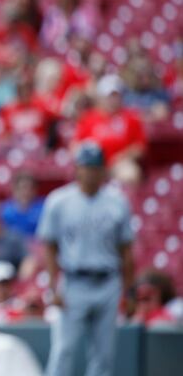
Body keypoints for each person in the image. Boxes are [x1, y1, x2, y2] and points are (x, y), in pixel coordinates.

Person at [39, 142, 134, 376]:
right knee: (63, 350)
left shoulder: (118, 201)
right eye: (86, 166)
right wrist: (53, 286)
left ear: (103, 170)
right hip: (74, 282)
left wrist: (129, 291)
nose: (91, 172)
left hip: (108, 282)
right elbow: (49, 247)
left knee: (103, 356)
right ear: (77, 169)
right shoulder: (59, 201)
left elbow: (126, 250)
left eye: (95, 167)